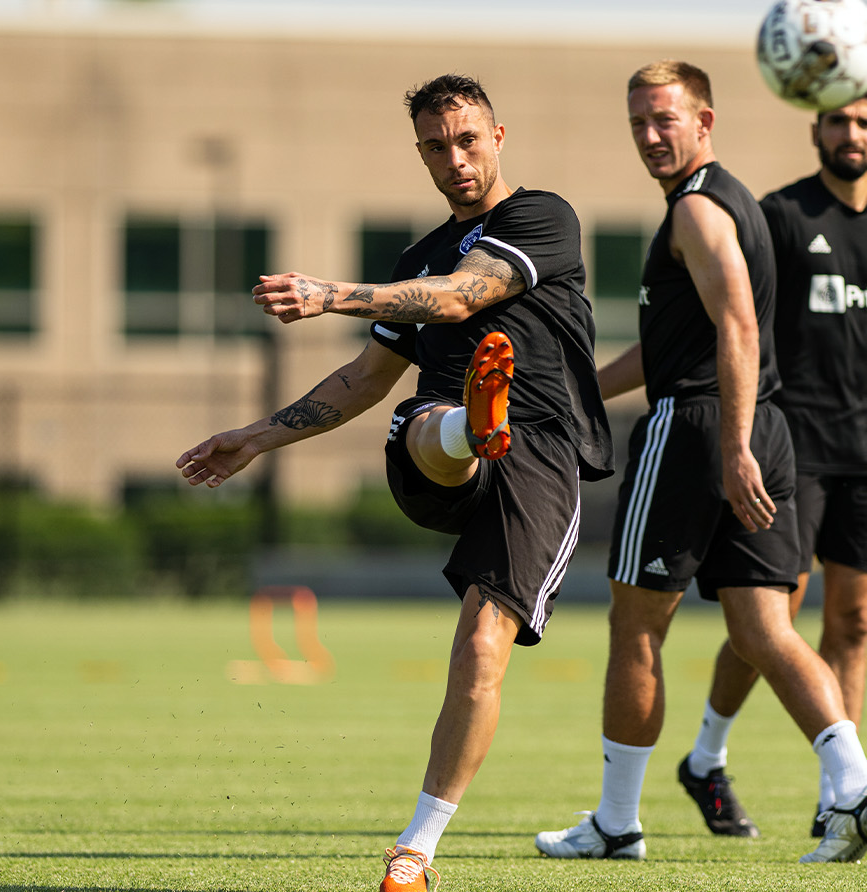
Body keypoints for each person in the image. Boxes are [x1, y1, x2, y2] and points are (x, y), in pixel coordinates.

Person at [177, 74, 612, 892]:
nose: (456, 159)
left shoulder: (542, 217)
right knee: (417, 416)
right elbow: (364, 378)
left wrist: (327, 293)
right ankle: (469, 425)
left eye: (468, 140)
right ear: (420, 153)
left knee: (482, 650)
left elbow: (458, 300)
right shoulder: (417, 256)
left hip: (544, 455)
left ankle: (417, 848)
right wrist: (257, 439)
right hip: (437, 454)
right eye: (437, 146)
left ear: (498, 135)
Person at [533, 60, 867, 866]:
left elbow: (737, 329)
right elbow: (683, 342)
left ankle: (617, 824)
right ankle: (857, 785)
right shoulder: (730, 201)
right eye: (638, 123)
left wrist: (731, 446)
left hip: (701, 434)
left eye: (666, 119)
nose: (650, 136)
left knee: (635, 627)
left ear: (705, 122)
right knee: (766, 629)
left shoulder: (696, 211)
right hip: (763, 426)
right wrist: (588, 395)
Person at [677, 77, 867, 843]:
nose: (850, 134)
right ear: (815, 132)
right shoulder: (781, 216)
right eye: (836, 122)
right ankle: (707, 756)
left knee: (853, 627)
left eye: (863, 122)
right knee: (770, 621)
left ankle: (842, 792)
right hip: (791, 451)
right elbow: (737, 324)